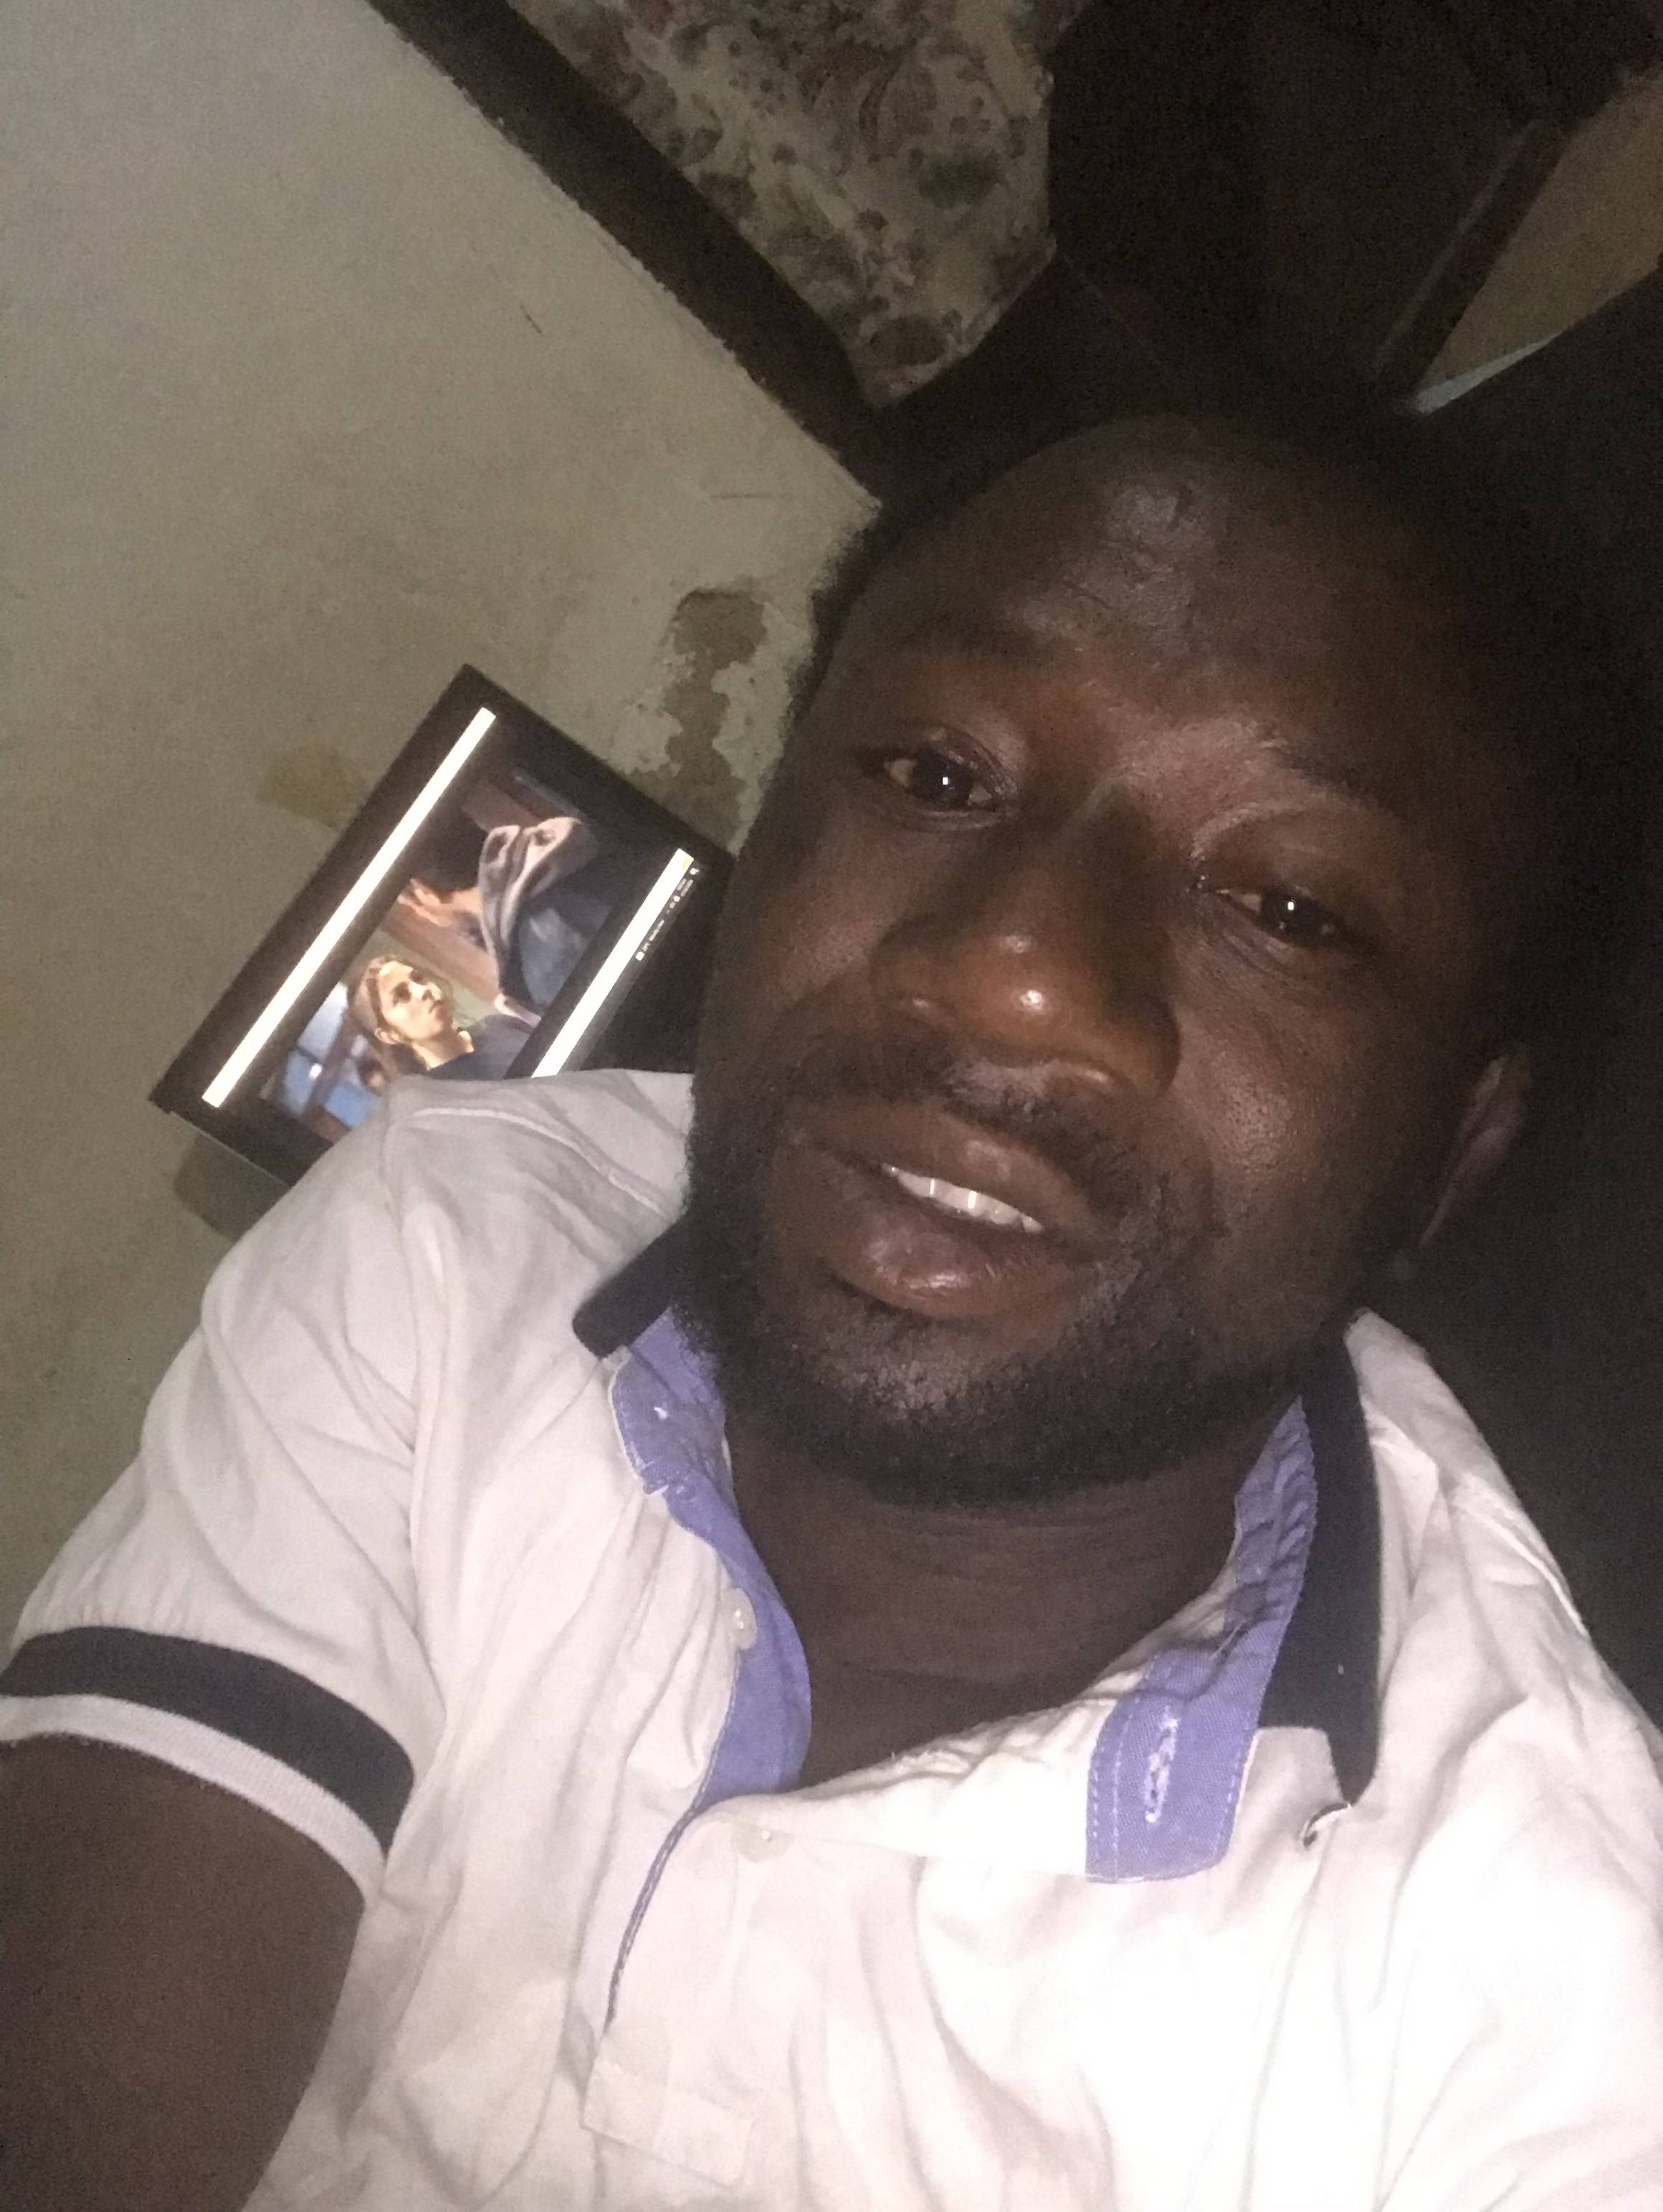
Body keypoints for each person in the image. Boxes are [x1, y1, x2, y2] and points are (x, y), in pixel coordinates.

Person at [2, 413, 1661, 2212]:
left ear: (1447, 1152)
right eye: (937, 773)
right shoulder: (455, 1241)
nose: (1015, 970)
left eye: (1286, 906)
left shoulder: (1542, 2010)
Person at [406, 806, 644, 1013]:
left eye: (412, 905)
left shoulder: (546, 964)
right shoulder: (583, 834)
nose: (420, 914)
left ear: (424, 890)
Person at [348, 953, 530, 1082]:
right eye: (401, 996)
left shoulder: (500, 1026)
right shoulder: (440, 1100)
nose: (423, 990)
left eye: (419, 979)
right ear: (390, 1035)